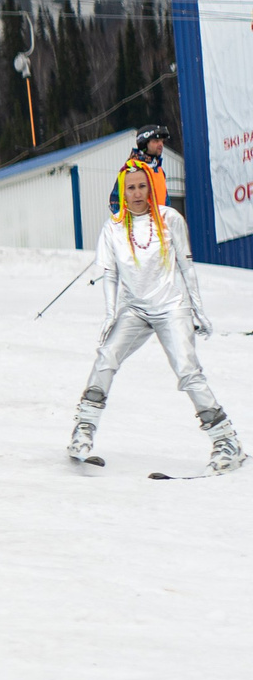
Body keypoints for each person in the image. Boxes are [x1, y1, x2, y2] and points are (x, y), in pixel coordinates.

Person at [70, 157, 243, 474]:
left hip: (171, 305)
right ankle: (83, 430)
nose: (137, 193)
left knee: (187, 370)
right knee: (106, 357)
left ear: (151, 187)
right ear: (122, 192)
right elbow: (110, 273)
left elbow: (186, 266)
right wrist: (110, 314)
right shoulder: (113, 227)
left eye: (142, 186)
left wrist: (197, 309)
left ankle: (227, 442)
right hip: (135, 309)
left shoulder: (169, 219)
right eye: (130, 188)